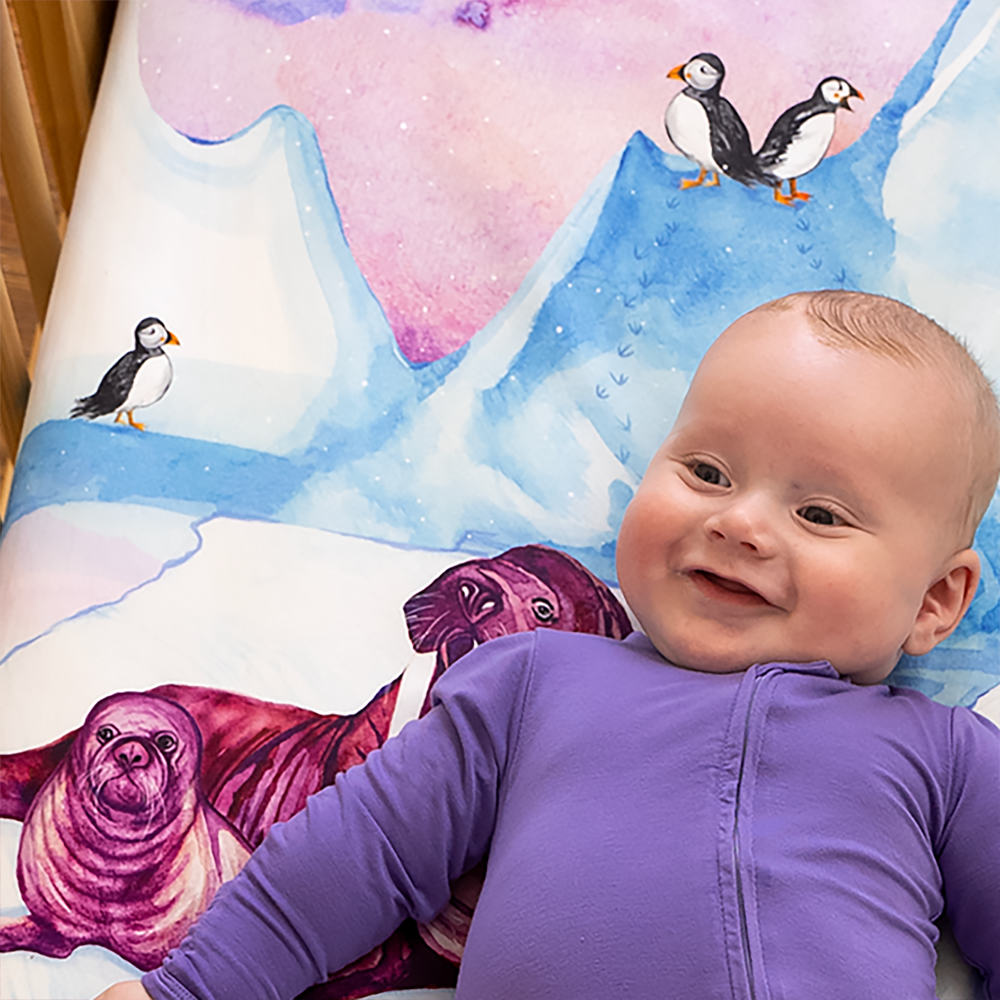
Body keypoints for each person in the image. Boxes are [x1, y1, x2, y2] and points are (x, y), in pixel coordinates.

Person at [97, 290, 1000, 1000]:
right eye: (708, 471)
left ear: (934, 600)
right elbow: (358, 850)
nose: (739, 522)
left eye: (818, 514)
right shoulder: (537, 681)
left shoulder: (947, 757)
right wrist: (196, 989)